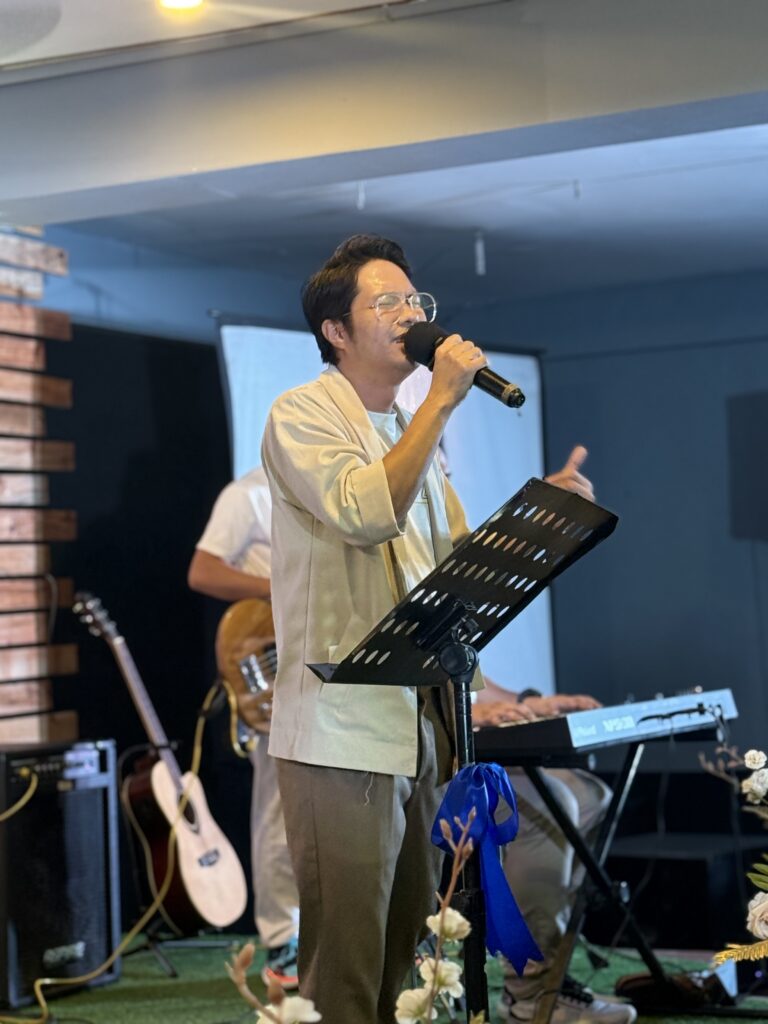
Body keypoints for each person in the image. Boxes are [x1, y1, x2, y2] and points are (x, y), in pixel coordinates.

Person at [260, 234, 606, 1023]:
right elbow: (364, 513)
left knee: (407, 950)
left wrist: (541, 512)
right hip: (339, 728)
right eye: (387, 302)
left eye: (416, 300)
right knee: (347, 962)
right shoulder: (302, 414)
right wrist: (442, 399)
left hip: (419, 723)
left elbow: (452, 565)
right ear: (336, 331)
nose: (411, 314)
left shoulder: (407, 432)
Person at [187, 468, 300, 989]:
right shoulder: (248, 495)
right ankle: (283, 939)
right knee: (279, 807)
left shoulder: (341, 491)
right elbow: (203, 571)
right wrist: (280, 588)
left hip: (321, 659)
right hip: (273, 666)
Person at [473, 682, 637, 1024]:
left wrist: (531, 704)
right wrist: (467, 714)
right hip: (428, 757)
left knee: (591, 796)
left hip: (473, 751)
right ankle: (529, 991)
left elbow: (463, 678)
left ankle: (551, 969)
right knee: (551, 805)